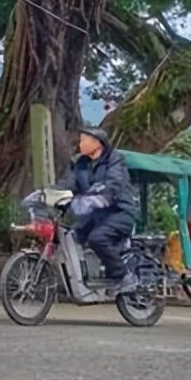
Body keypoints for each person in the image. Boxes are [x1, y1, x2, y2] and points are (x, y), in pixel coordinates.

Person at [52, 126, 139, 295]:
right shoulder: (81, 164)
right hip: (95, 216)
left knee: (97, 238)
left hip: (119, 212)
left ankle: (124, 277)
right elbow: (69, 184)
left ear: (97, 143)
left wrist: (100, 197)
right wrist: (50, 193)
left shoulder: (114, 160)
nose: (80, 144)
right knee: (72, 235)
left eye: (83, 140)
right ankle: (91, 277)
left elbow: (114, 184)